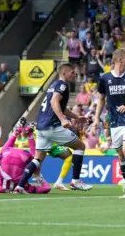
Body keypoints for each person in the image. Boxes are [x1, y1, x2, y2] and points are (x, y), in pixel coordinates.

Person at [15, 63, 92, 194]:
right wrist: (62, 119)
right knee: (80, 147)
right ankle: (76, 181)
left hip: (41, 127)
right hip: (52, 126)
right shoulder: (62, 85)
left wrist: (76, 117)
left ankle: (20, 186)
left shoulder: (53, 86)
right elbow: (54, 102)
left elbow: (60, 106)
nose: (75, 74)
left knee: (38, 158)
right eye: (72, 72)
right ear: (64, 73)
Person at [93, 49, 125, 198]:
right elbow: (101, 99)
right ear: (119, 59)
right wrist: (96, 118)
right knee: (121, 156)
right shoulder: (104, 78)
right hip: (114, 121)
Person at [0, 123, 51, 194]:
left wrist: (40, 179)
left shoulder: (26, 188)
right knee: (2, 154)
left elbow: (47, 188)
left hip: (23, 156)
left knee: (35, 160)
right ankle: (16, 133)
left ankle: (29, 135)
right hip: (9, 154)